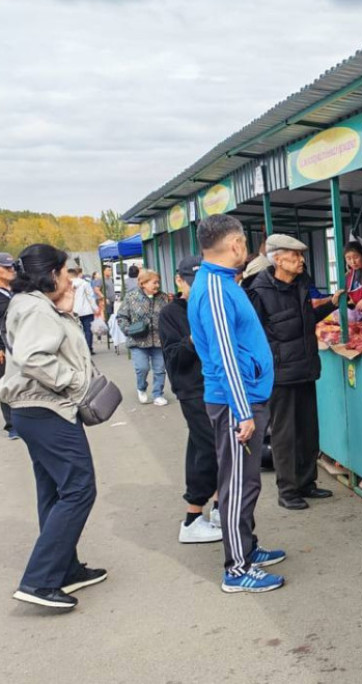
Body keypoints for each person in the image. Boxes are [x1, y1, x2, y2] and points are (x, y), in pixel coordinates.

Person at [3, 245, 107, 611]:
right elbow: (33, 358)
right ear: (50, 273)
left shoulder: (33, 305)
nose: (71, 279)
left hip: (35, 410)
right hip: (47, 409)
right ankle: (40, 580)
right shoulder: (35, 309)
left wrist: (63, 311)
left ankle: (63, 569)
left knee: (54, 490)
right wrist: (75, 383)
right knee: (79, 488)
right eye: (66, 273)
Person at [189, 213, 285, 594]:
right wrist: (242, 411)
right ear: (236, 244)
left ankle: (248, 547)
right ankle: (237, 568)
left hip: (244, 396)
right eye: (245, 241)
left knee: (248, 482)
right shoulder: (214, 288)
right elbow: (224, 355)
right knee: (237, 485)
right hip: (235, 403)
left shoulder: (223, 281)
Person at [247, 234, 338, 510]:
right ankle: (287, 490)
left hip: (305, 368)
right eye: (295, 255)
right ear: (278, 259)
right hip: (280, 374)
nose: (301, 260)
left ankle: (307, 482)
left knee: (308, 430)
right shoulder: (259, 291)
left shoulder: (300, 284)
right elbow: (251, 335)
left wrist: (331, 304)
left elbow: (305, 320)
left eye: (301, 255)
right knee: (284, 434)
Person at [160, 255, 222, 544]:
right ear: (179, 281)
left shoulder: (214, 305)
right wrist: (193, 339)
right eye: (191, 283)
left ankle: (214, 508)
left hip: (217, 386)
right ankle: (194, 515)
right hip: (192, 389)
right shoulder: (170, 314)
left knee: (202, 447)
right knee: (211, 448)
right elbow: (173, 359)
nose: (197, 289)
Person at [117, 270, 169, 406]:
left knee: (160, 369)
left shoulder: (163, 297)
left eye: (158, 282)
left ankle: (158, 394)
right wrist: (128, 330)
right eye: (154, 282)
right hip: (138, 341)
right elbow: (121, 316)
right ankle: (141, 387)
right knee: (142, 368)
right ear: (143, 283)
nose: (157, 285)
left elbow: (169, 316)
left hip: (159, 340)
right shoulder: (131, 297)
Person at [0, 253, 17, 440]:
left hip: (18, 343)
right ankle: (12, 425)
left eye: (12, 266)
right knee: (5, 383)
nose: (11, 270)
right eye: (6, 267)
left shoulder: (14, 290)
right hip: (2, 347)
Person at [69, 268, 100, 354]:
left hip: (73, 311)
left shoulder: (68, 285)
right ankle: (88, 348)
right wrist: (95, 308)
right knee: (88, 331)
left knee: (77, 331)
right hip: (87, 311)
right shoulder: (85, 283)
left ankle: (79, 350)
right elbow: (90, 297)